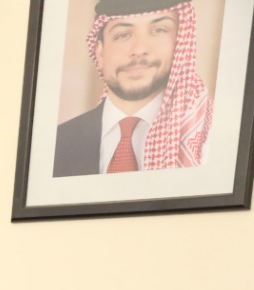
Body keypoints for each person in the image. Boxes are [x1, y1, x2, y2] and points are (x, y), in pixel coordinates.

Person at [53, 0, 212, 176]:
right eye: (123, 35)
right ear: (99, 53)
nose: (139, 49)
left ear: (181, 43)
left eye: (158, 30)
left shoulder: (209, 138)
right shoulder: (56, 143)